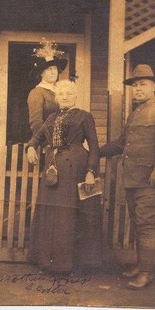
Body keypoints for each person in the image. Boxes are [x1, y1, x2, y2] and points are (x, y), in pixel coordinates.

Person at [100, 64, 155, 289]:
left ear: (153, 86)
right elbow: (122, 143)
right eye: (134, 85)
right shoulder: (136, 113)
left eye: (142, 84)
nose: (138, 89)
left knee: (146, 226)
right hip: (134, 180)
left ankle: (146, 273)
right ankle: (141, 266)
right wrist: (95, 151)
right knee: (139, 224)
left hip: (152, 181)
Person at [26, 79, 102, 274]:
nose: (65, 97)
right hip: (53, 172)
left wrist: (91, 171)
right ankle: (48, 261)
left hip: (75, 170)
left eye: (68, 93)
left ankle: (67, 264)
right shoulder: (51, 118)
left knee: (68, 216)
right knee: (51, 215)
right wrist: (31, 147)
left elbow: (94, 147)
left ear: (75, 96)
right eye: (61, 94)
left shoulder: (84, 116)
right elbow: (38, 136)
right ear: (57, 98)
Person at [28, 38, 68, 135]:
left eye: (55, 68)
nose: (53, 72)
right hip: (46, 143)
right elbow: (36, 123)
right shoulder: (37, 92)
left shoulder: (60, 91)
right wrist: (49, 143)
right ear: (41, 73)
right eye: (49, 69)